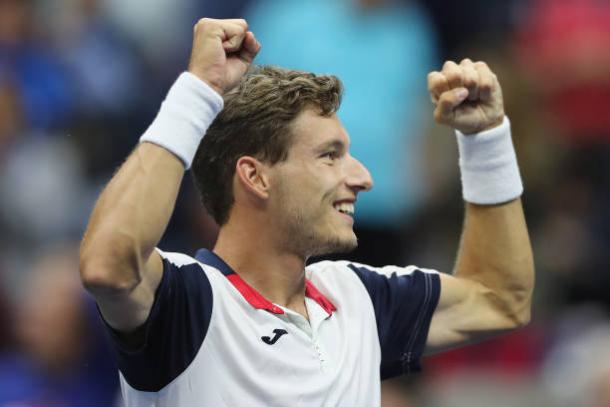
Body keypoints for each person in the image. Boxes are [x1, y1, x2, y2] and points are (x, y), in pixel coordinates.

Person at [79, 18, 534, 406]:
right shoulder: (188, 301)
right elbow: (106, 264)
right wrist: (199, 90)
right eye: (330, 156)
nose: (361, 178)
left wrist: (485, 139)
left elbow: (499, 299)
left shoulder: (358, 298)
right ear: (256, 177)